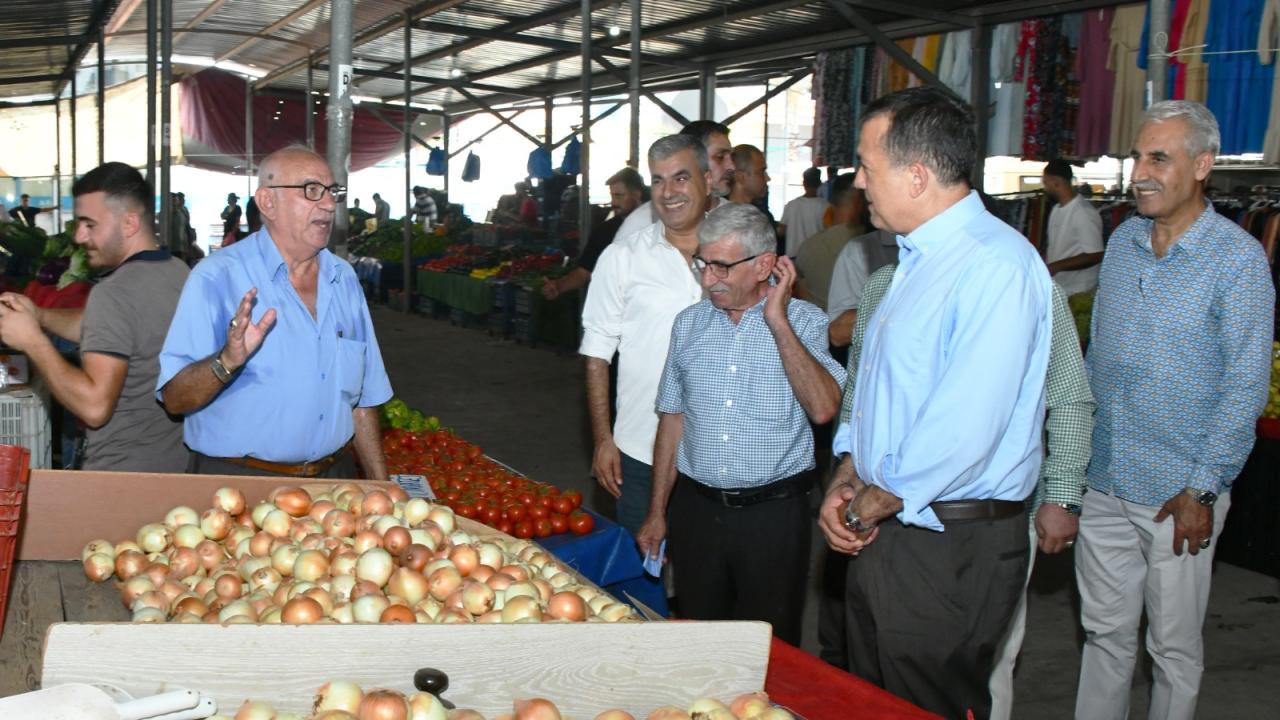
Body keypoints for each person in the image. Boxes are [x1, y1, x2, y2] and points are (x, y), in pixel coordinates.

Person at [816, 87, 1053, 719]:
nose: (858, 181)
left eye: (868, 165)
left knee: (924, 703)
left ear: (916, 176)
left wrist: (864, 508)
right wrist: (846, 478)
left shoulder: (994, 266)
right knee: (876, 702)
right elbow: (875, 394)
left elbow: (962, 428)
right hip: (894, 524)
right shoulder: (913, 262)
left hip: (948, 543)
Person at [1075, 101, 1274, 720]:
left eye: (1158, 157)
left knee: (1172, 648)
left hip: (1176, 496)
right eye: (1137, 156)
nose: (1140, 172)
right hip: (1103, 480)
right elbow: (1094, 353)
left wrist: (1204, 490)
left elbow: (1244, 386)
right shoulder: (1125, 241)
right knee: (1104, 636)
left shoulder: (1237, 261)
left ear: (1203, 166)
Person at [636, 203, 844, 645]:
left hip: (773, 518)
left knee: (771, 643)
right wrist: (657, 511)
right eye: (703, 264)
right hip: (697, 512)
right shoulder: (689, 325)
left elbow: (824, 408)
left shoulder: (807, 324)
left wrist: (777, 321)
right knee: (699, 635)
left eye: (721, 267)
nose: (708, 279)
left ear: (765, 265)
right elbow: (672, 420)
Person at [157, 145, 394, 481]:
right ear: (268, 202)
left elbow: (364, 399)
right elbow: (175, 399)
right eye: (312, 191)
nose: (328, 204)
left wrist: (380, 486)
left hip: (335, 484)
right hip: (240, 485)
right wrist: (226, 361)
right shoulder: (216, 278)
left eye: (333, 192)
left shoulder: (344, 280)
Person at [0, 163, 189, 472]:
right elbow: (110, 330)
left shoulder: (114, 292)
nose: (78, 236)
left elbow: (94, 407)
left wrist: (33, 342)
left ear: (129, 223)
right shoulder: (175, 270)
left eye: (89, 224)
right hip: (172, 465)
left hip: (119, 474)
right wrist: (40, 316)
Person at [578, 134, 709, 537]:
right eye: (658, 180)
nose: (668, 192)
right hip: (641, 449)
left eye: (681, 178)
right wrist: (603, 439)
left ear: (707, 179)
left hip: (719, 456)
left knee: (705, 581)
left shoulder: (738, 255)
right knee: (641, 578)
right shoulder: (623, 258)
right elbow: (598, 353)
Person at [614, 120, 736, 242]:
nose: (731, 166)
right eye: (720, 157)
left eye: (731, 157)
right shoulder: (640, 224)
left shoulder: (736, 218)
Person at [543, 167, 645, 300]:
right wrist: (559, 286)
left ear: (637, 194)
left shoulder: (661, 226)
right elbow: (583, 273)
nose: (613, 202)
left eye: (619, 196)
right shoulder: (604, 231)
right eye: (612, 195)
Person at [794, 174, 865, 313]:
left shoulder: (810, 247)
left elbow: (801, 294)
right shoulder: (874, 246)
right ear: (861, 203)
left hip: (818, 330)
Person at [1042, 158, 1104, 296]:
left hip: (1079, 291)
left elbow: (1095, 255)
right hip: (1061, 287)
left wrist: (1055, 267)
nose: (1045, 188)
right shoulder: (1056, 209)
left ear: (1056, 182)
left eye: (1046, 182)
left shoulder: (1083, 212)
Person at [778, 167, 830, 257]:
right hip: (815, 258)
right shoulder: (826, 206)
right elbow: (830, 233)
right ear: (820, 184)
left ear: (804, 183)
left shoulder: (791, 205)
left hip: (793, 258)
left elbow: (781, 231)